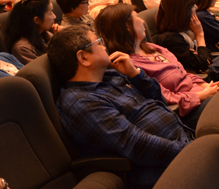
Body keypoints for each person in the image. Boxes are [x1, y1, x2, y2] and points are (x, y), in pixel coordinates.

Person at [46, 25, 194, 189]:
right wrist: (189, 153)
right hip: (160, 170)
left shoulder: (109, 75)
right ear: (83, 58)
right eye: (99, 42)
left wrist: (135, 74)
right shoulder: (81, 102)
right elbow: (135, 144)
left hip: (182, 141)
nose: (105, 46)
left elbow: (159, 101)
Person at [96, 4, 219, 130]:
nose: (143, 21)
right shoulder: (128, 65)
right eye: (137, 17)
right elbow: (164, 98)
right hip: (185, 112)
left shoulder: (152, 47)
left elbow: (183, 73)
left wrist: (206, 86)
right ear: (127, 27)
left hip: (200, 93)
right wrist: (202, 95)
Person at [152, 0, 212, 74]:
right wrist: (200, 35)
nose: (196, 7)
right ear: (182, 11)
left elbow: (206, 55)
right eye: (192, 5)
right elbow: (204, 63)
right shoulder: (171, 39)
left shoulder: (185, 29)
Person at [5, 0, 58, 64]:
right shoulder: (22, 49)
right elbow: (44, 71)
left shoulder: (46, 34)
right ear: (36, 20)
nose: (54, 16)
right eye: (50, 13)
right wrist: (58, 40)